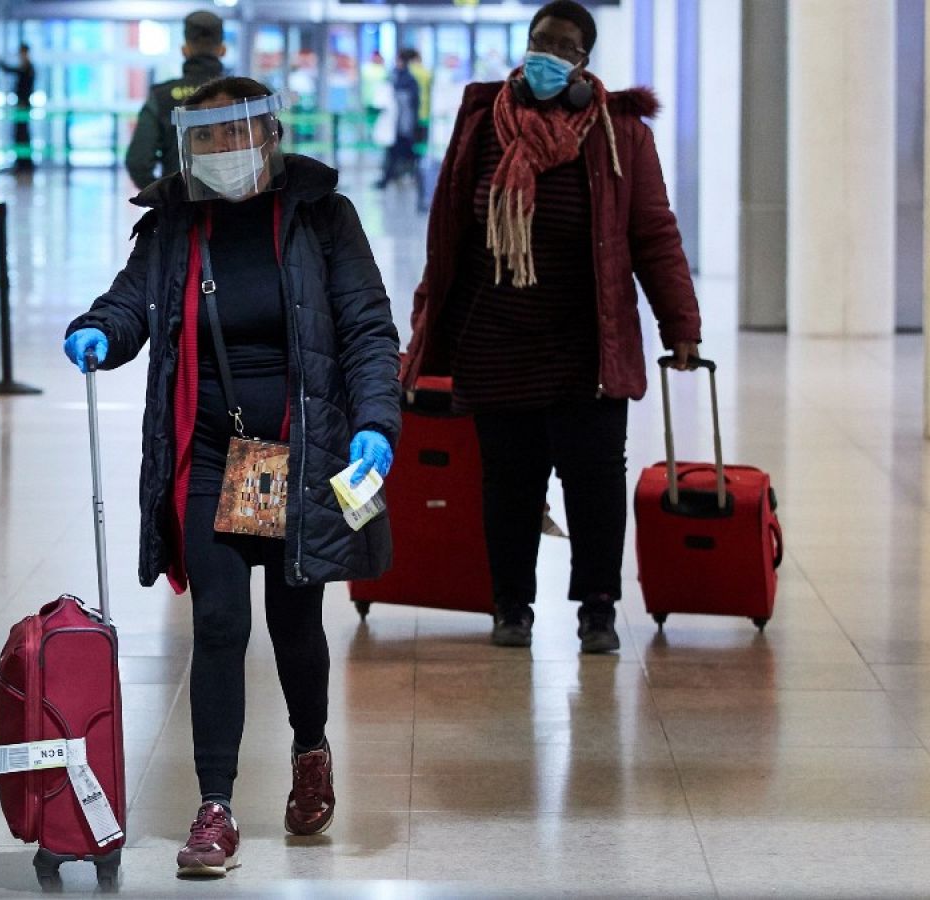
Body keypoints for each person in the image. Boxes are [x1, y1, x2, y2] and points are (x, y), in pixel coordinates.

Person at [63, 78, 402, 878]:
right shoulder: (176, 225)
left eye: (237, 133)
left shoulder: (321, 218)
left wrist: (375, 421)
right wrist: (99, 330)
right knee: (218, 624)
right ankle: (215, 807)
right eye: (207, 138)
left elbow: (366, 327)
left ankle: (310, 749)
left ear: (270, 135)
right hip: (212, 454)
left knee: (293, 622)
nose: (223, 150)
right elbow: (132, 303)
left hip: (292, 454)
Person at [404, 0, 702, 654]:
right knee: (508, 483)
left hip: (587, 344)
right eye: (541, 40)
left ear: (583, 61)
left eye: (564, 46)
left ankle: (598, 610)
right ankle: (511, 606)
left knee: (594, 482)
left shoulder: (621, 133)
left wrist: (680, 322)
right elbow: (448, 228)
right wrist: (425, 326)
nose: (548, 54)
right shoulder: (483, 122)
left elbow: (654, 233)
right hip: (494, 338)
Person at [125, 11, 227, 190]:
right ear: (222, 50)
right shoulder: (243, 95)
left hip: (181, 202)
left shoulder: (162, 96)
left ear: (184, 50)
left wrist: (165, 197)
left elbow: (138, 161)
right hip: (235, 204)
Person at [373, 50, 421, 189]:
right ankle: (391, 177)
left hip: (402, 124)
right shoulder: (397, 77)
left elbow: (411, 104)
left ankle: (400, 176)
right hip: (397, 124)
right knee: (395, 152)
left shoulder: (406, 79)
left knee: (403, 152)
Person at [0, 43, 37, 171]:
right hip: (21, 103)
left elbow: (11, 70)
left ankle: (25, 162)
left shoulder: (28, 67)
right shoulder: (26, 67)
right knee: (19, 133)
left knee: (22, 133)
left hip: (23, 104)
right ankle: (21, 161)